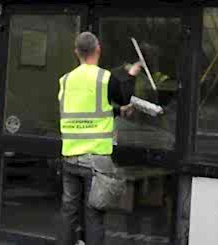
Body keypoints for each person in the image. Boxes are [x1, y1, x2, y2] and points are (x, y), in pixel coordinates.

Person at [57, 32, 141, 245]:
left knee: (69, 211)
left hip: (70, 156)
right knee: (94, 213)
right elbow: (124, 98)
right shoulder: (105, 78)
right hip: (95, 159)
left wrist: (114, 113)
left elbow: (83, 112)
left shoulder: (66, 80)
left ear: (76, 52)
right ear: (98, 49)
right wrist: (131, 74)